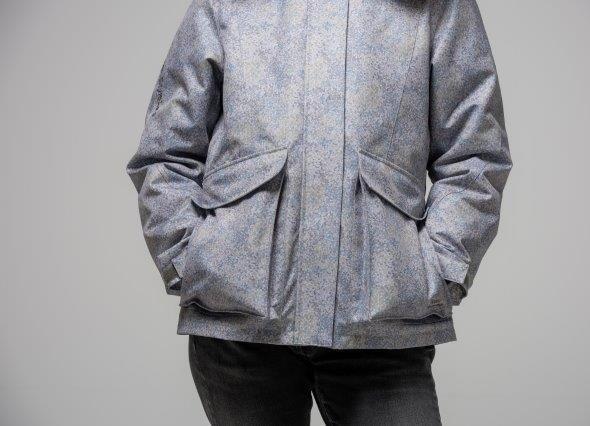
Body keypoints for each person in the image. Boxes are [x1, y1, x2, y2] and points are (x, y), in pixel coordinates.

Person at [126, 0, 512, 424]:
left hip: (383, 329)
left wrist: (436, 270)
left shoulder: (439, 6)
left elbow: (475, 156)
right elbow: (166, 152)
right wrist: (194, 261)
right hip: (237, 325)